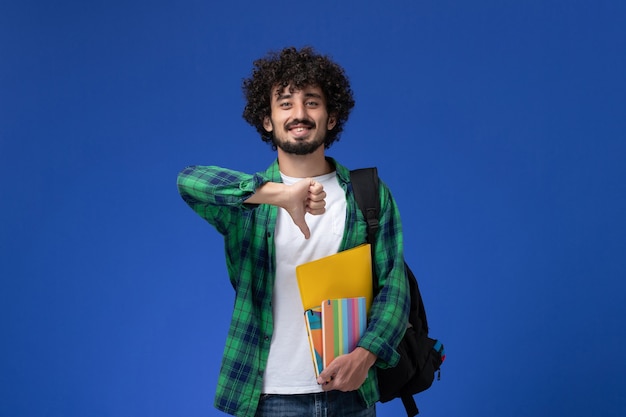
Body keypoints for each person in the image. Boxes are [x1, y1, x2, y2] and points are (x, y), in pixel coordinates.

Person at [177, 46, 410, 417]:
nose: (299, 114)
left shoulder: (367, 193)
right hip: (271, 397)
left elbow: (393, 287)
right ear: (267, 120)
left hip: (349, 394)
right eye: (285, 103)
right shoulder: (249, 204)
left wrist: (365, 357)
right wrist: (281, 195)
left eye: (312, 102)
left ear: (332, 117)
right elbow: (188, 181)